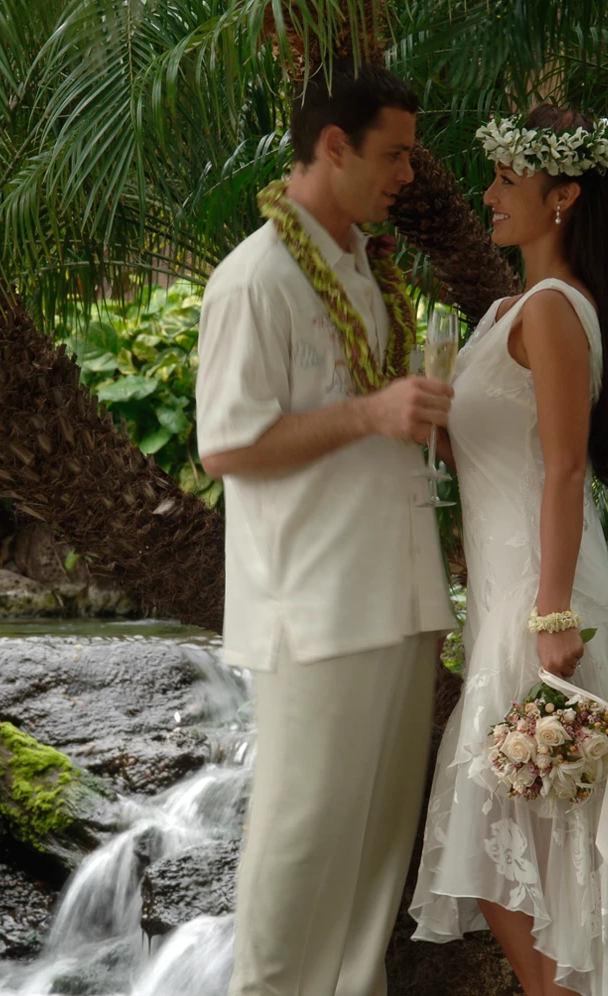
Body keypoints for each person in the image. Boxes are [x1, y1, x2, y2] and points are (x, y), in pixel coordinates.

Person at [196, 61, 457, 996]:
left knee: (378, 851)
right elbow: (226, 445)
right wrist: (372, 414)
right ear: (332, 146)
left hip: (397, 589)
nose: (409, 177)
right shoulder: (255, 279)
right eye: (393, 155)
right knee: (302, 840)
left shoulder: (367, 271)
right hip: (314, 599)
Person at [408, 105, 608, 996]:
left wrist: (552, 618)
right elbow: (478, 453)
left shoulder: (553, 309)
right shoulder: (506, 309)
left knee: (508, 832)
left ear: (563, 198)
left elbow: (565, 467)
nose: (489, 194)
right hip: (510, 605)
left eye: (508, 179)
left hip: (548, 610)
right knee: (514, 844)